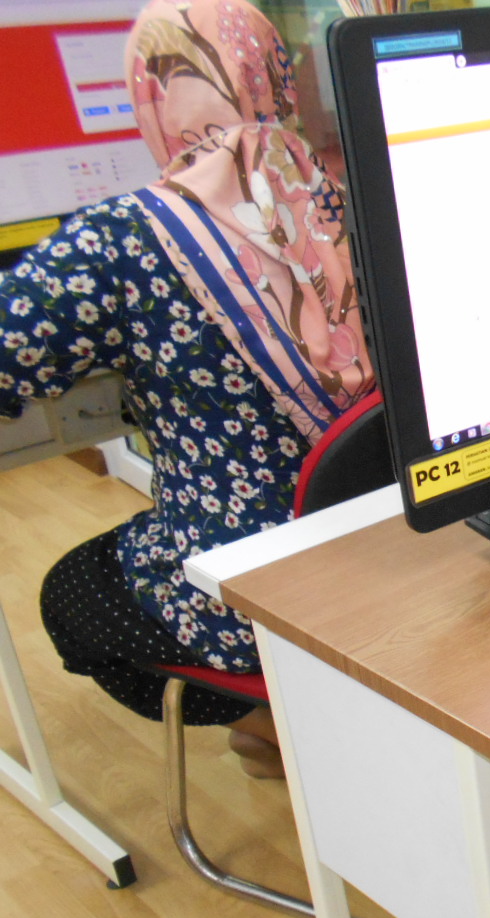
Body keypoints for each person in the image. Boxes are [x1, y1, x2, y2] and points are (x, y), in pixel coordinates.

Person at [0, 0, 372, 778]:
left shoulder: (122, 237)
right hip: (393, 547)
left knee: (72, 594)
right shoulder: (356, 188)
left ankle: (280, 725)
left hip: (252, 601)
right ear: (273, 76)